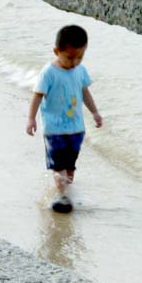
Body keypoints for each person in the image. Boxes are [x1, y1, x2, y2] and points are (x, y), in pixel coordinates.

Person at [26, 25, 104, 213]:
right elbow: (37, 95)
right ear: (57, 51)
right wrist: (31, 119)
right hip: (54, 130)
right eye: (70, 57)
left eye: (80, 57)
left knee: (70, 167)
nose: (75, 62)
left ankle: (66, 190)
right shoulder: (49, 73)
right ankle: (61, 196)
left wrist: (94, 112)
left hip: (76, 129)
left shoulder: (80, 70)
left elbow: (85, 92)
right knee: (58, 165)